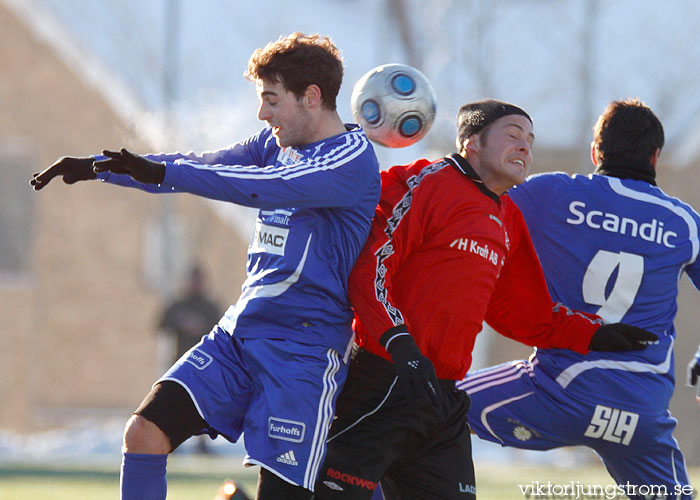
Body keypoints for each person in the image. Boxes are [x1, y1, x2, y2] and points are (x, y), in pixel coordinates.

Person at [30, 32, 380, 500]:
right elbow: (203, 164)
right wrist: (100, 167)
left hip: (303, 351)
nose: (263, 114)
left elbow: (262, 187)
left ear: (311, 97)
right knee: (145, 434)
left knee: (281, 493)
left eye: (271, 100)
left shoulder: (350, 160)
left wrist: (164, 173)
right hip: (240, 334)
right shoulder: (275, 143)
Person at [313, 99, 656, 500]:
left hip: (443, 399)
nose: (525, 148)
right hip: (386, 378)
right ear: (471, 143)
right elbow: (370, 269)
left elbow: (525, 313)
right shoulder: (425, 182)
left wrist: (597, 336)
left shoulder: (507, 215)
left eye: (530, 140)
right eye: (513, 136)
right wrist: (399, 343)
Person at [461, 99, 700, 500]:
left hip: (556, 395)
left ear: (595, 152)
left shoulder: (550, 194)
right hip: (640, 416)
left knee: (429, 406)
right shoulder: (684, 222)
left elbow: (471, 215)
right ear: (655, 157)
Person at [158, 264, 222, 364]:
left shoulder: (210, 308)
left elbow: (219, 331)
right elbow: (162, 323)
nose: (194, 284)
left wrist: (200, 327)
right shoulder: (180, 305)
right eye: (192, 281)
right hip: (181, 358)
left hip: (204, 360)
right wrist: (182, 323)